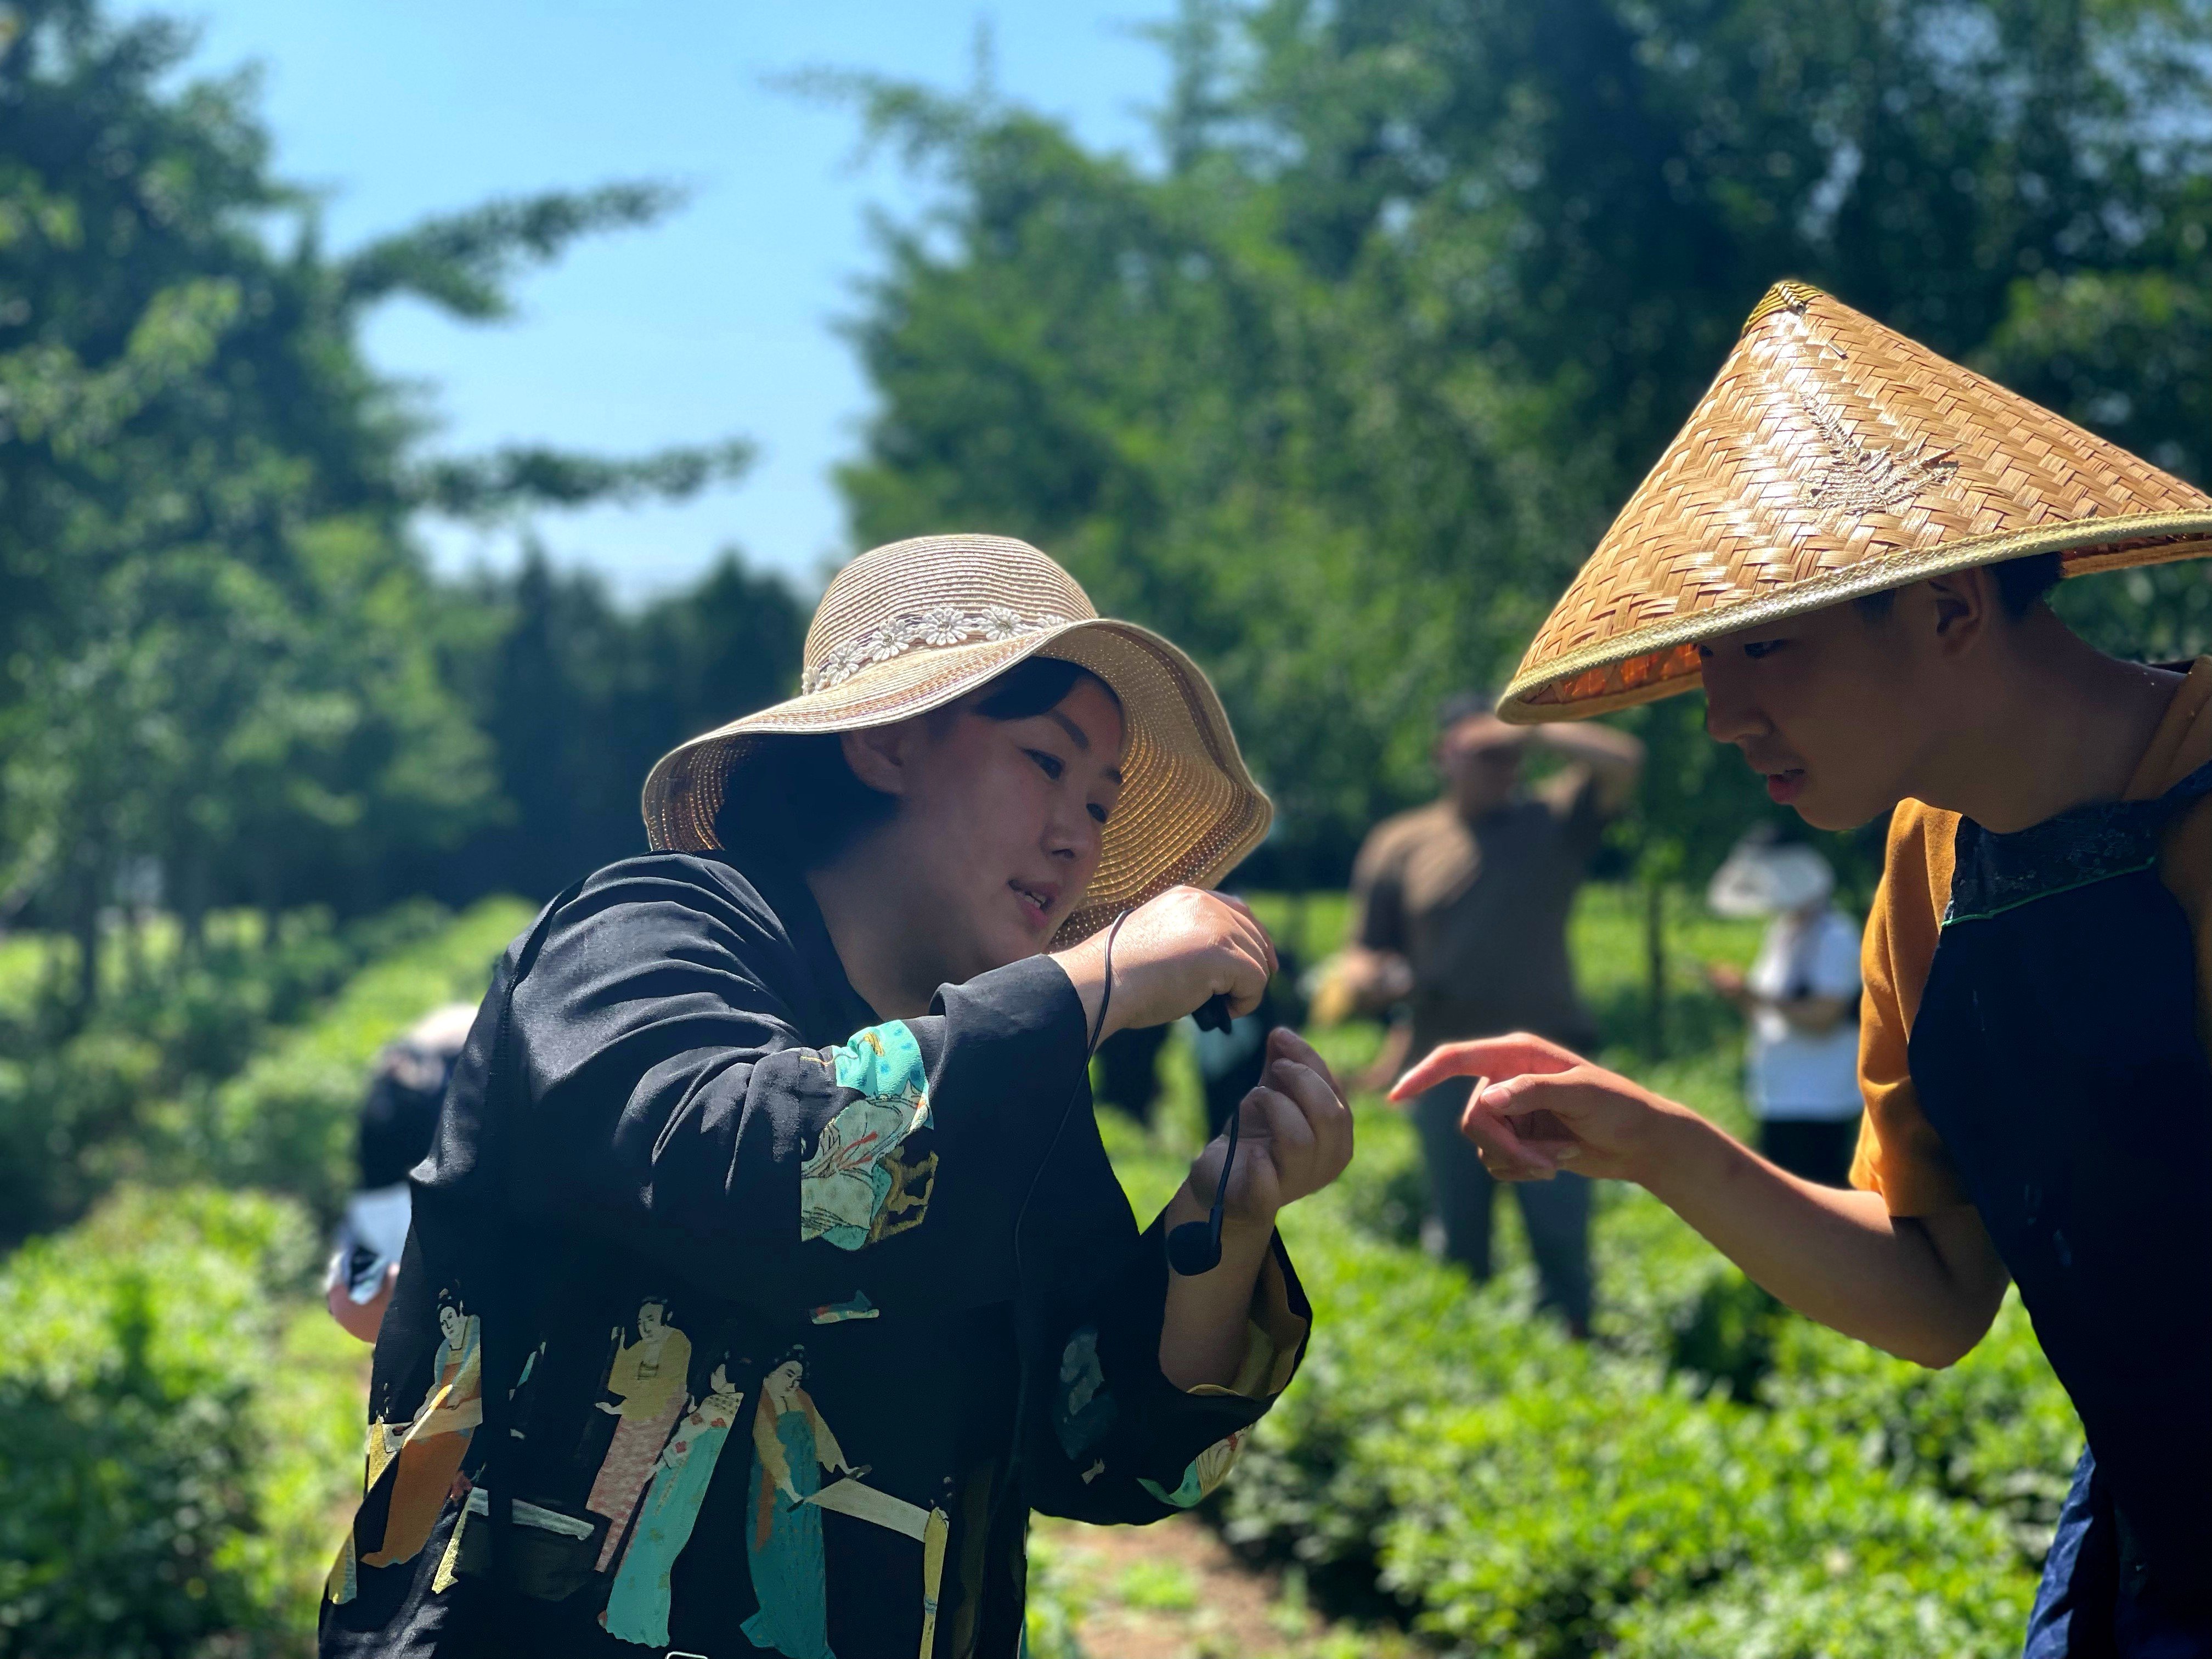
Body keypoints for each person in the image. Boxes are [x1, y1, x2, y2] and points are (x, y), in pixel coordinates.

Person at [321, 533, 1352, 1658]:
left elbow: (1097, 1442)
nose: (1077, 837)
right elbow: (762, 1170)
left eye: (1102, 805)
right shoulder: (644, 933)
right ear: (888, 745)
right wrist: (1098, 981)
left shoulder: (1007, 1077)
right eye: (1045, 765)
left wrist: (1228, 1226)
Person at [1395, 282, 2212, 1656]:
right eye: (1710, 658)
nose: (1719, 713)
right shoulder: (1930, 872)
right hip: (2148, 1555)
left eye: (1767, 644)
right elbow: (1943, 1290)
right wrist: (1665, 1146)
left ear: (1952, 604)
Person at [1339, 690, 1642, 1334]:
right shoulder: (1402, 841)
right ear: (1444, 755)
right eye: (1482, 752)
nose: (1502, 766)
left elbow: (1623, 760)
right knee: (1459, 1239)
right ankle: (1469, 1358)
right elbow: (1364, 951)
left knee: (1560, 1229)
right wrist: (1370, 982)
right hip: (1443, 1068)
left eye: (1510, 755)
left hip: (1550, 1068)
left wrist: (1528, 726)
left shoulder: (1552, 821)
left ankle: (1574, 1347)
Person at [1704, 832, 1863, 1187]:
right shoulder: (1782, 932)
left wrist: (1758, 996)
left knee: (1820, 1207)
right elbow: (1768, 1014)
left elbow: (1825, 1016)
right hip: (1779, 1096)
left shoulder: (1835, 936)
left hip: (1819, 1101)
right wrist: (1740, 995)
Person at [325, 1003, 478, 1342]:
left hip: (376, 1215)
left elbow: (347, 1302)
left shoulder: (392, 1076)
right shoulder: (453, 1081)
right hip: (424, 1211)